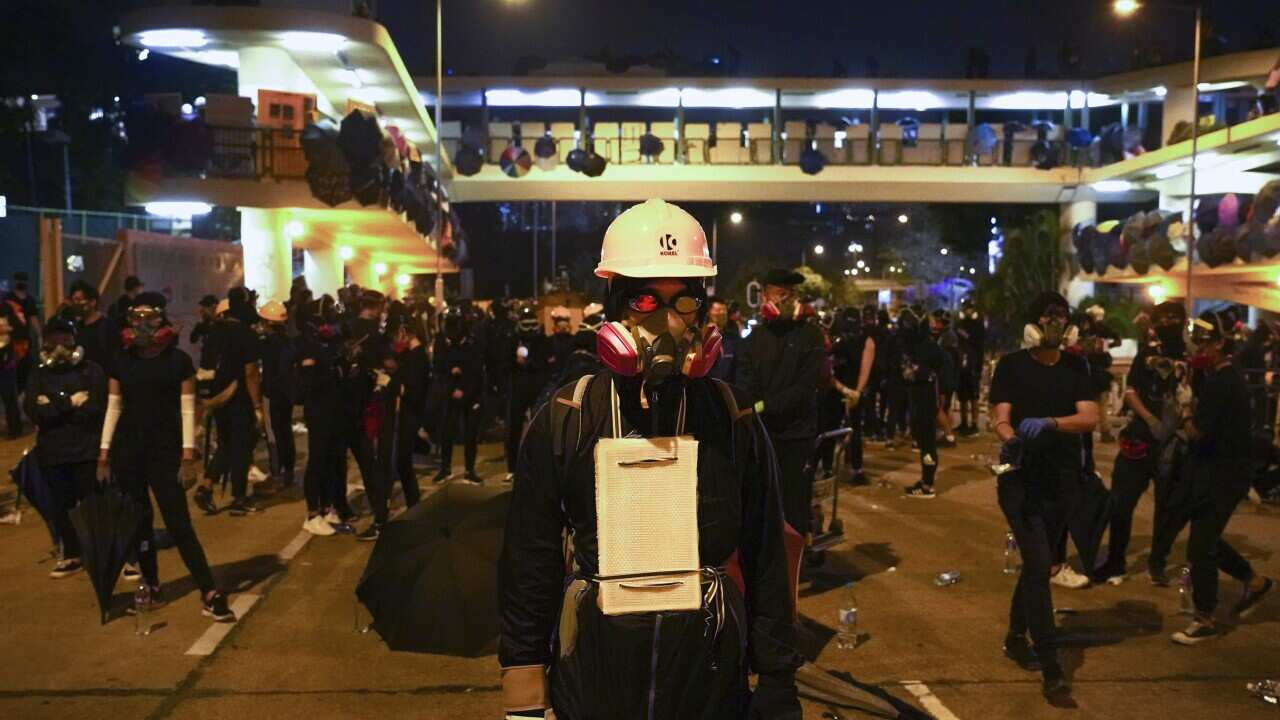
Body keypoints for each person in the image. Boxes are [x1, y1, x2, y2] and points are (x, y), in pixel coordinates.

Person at [499, 198, 801, 720]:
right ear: (615, 306)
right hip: (594, 676)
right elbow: (531, 558)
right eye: (644, 300)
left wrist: (776, 677)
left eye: (684, 302)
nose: (667, 320)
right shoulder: (567, 418)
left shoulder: (732, 422)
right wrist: (524, 685)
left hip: (706, 678)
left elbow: (766, 555)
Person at [97, 292, 235, 622]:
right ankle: (152, 584)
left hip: (165, 452)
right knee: (139, 522)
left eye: (151, 317)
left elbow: (188, 411)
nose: (143, 325)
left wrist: (188, 458)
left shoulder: (178, 362)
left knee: (179, 523)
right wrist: (104, 455)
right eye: (136, 317)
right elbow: (113, 407)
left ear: (163, 320)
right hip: (128, 452)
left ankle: (209, 590)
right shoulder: (121, 360)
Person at [989, 291, 1097, 701]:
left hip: (1062, 482)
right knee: (1038, 563)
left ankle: (1016, 636)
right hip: (1020, 482)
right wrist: (1011, 437)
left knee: (1038, 567)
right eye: (1047, 316)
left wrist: (1052, 423)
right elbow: (999, 416)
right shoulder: (1012, 366)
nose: (1054, 323)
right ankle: (1051, 666)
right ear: (1033, 324)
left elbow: (1090, 417)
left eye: (1061, 316)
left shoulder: (1076, 366)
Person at [1167, 311, 1274, 645]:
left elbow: (1197, 433)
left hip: (1223, 476)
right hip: (1221, 472)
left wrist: (1183, 409)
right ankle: (1255, 583)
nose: (1199, 349)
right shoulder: (1221, 377)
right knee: (1207, 540)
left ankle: (1206, 617)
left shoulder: (1223, 382)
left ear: (1219, 345)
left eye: (1205, 343)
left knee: (1200, 546)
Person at [1094, 302, 1190, 586]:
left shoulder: (1193, 359)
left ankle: (1157, 563)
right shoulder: (1147, 354)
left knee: (1167, 509)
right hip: (1139, 440)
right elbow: (1131, 392)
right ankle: (1115, 562)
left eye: (1174, 318)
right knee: (1121, 504)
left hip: (1174, 446)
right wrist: (1150, 420)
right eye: (1162, 318)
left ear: (1183, 322)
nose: (1168, 323)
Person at [737, 267, 825, 540]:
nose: (787, 299)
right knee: (758, 506)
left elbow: (806, 387)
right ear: (765, 296)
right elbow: (746, 385)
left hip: (797, 437)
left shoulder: (811, 336)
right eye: (781, 293)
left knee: (794, 508)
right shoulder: (752, 341)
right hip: (762, 437)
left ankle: (793, 574)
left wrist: (763, 407)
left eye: (792, 294)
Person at [25, 316, 106, 579]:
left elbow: (95, 409)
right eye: (53, 339)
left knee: (91, 503)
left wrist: (52, 405)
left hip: (85, 448)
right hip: (52, 452)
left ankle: (99, 551)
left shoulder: (91, 370)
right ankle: (71, 553)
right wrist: (72, 402)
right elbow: (35, 412)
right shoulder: (38, 373)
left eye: (65, 338)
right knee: (61, 505)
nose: (60, 345)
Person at [195, 288, 265, 516]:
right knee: (241, 447)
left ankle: (206, 485)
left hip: (218, 398)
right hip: (240, 397)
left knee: (225, 443)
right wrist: (257, 406)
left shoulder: (215, 332)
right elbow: (251, 373)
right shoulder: (247, 334)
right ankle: (239, 498)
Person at [296, 296, 355, 536]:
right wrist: (333, 370)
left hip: (335, 410)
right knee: (318, 459)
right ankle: (312, 513)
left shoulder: (330, 345)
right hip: (318, 410)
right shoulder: (308, 346)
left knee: (335, 459)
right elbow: (310, 382)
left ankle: (329, 506)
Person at [897, 305, 946, 498]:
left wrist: (923, 374)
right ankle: (926, 480)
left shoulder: (929, 347)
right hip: (918, 396)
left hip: (925, 398)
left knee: (927, 442)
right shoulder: (914, 345)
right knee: (922, 439)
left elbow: (939, 369)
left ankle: (927, 485)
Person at [432, 305, 483, 485]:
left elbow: (476, 370)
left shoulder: (472, 341)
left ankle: (470, 470)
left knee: (470, 433)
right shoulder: (441, 340)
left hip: (471, 393)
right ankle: (445, 468)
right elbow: (437, 366)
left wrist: (465, 390)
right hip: (449, 391)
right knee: (447, 432)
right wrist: (450, 384)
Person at [831, 306, 876, 485]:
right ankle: (853, 468)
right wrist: (854, 391)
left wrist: (852, 392)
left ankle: (840, 467)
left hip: (841, 390)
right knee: (851, 430)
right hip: (843, 390)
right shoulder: (864, 340)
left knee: (848, 430)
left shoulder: (839, 339)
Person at [505, 305, 549, 481]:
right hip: (517, 390)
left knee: (539, 428)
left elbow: (545, 364)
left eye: (533, 324)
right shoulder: (513, 340)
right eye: (526, 324)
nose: (530, 328)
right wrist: (516, 362)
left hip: (536, 389)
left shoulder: (542, 340)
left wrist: (529, 363)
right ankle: (512, 468)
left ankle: (538, 467)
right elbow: (505, 364)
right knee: (513, 429)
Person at [257, 300, 296, 487]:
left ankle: (276, 472)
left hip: (272, 393)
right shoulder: (288, 340)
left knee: (273, 433)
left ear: (267, 322)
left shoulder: (267, 344)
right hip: (287, 393)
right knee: (286, 430)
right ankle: (288, 470)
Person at [64, 281, 118, 375]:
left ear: (92, 302)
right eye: (74, 300)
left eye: (79, 300)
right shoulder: (76, 327)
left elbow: (114, 360)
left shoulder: (107, 326)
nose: (76, 304)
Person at [955, 299, 985, 436]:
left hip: (974, 365)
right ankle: (964, 422)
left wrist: (978, 365)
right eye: (965, 308)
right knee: (962, 396)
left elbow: (980, 343)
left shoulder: (978, 325)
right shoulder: (960, 324)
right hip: (962, 365)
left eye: (969, 308)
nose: (967, 311)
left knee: (973, 396)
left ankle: (974, 424)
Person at [706, 297, 740, 382]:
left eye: (724, 310)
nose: (722, 313)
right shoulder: (700, 338)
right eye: (718, 310)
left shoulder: (732, 338)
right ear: (708, 313)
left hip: (728, 389)